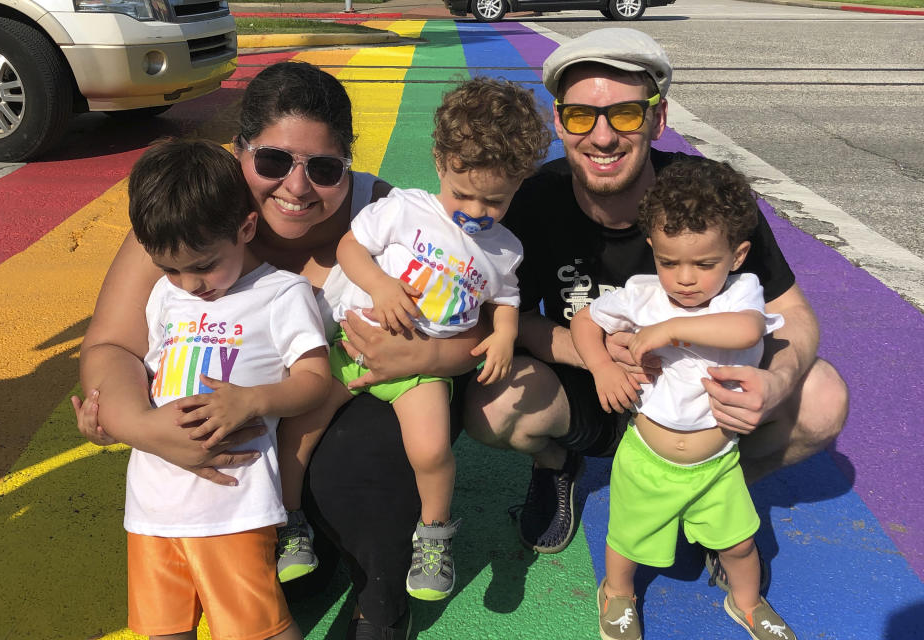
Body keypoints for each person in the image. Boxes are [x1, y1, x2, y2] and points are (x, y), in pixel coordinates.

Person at [72, 61, 482, 640]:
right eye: (271, 161)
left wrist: (425, 360)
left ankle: (381, 601)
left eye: (323, 168)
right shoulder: (190, 212)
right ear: (239, 151)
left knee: (361, 450)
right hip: (240, 463)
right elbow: (112, 343)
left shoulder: (389, 219)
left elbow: (477, 323)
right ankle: (309, 546)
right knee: (280, 580)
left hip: (352, 399)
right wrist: (141, 426)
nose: (296, 187)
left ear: (348, 165)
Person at [462, 26, 848, 601]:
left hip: (701, 394)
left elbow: (791, 309)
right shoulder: (532, 199)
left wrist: (777, 380)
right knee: (488, 405)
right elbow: (505, 313)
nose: (601, 137)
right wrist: (594, 356)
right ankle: (555, 463)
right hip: (595, 387)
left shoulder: (705, 196)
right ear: (558, 121)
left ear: (657, 119)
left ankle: (713, 492)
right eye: (579, 116)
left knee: (822, 398)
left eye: (624, 115)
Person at [274, 77, 551, 602]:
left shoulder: (505, 249)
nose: (475, 210)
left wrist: (504, 337)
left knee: (430, 450)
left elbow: (506, 301)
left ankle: (434, 534)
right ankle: (290, 526)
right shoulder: (407, 208)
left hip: (421, 371)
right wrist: (378, 286)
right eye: (462, 193)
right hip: (351, 346)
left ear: (520, 182)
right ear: (440, 161)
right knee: (299, 429)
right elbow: (353, 247)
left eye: (494, 200)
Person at [571, 157, 796, 640]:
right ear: (651, 248)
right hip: (647, 459)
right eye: (669, 262)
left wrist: (671, 328)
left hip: (716, 462)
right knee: (626, 541)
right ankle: (618, 593)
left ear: (736, 257)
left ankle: (748, 601)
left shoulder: (740, 294)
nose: (685, 279)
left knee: (738, 544)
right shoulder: (642, 294)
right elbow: (584, 321)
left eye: (704, 263)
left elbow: (746, 330)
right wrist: (602, 367)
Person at [121, 138, 331, 640]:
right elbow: (152, 382)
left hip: (232, 510)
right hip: (150, 508)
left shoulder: (280, 294)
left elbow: (316, 381)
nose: (189, 283)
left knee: (258, 630)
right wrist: (110, 424)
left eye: (202, 265)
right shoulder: (164, 296)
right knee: (162, 631)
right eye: (170, 268)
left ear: (246, 228)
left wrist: (254, 399)